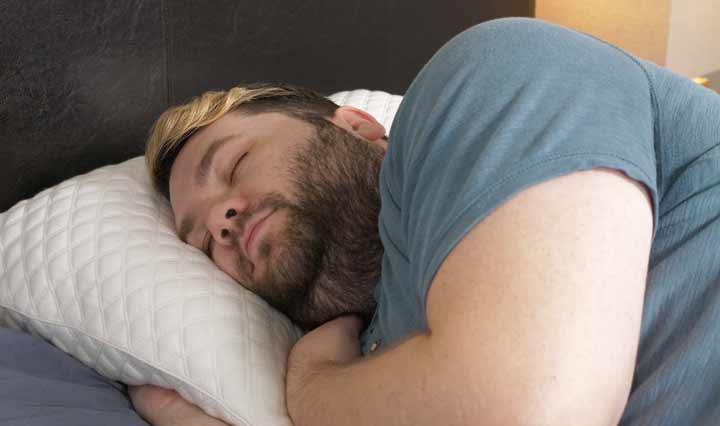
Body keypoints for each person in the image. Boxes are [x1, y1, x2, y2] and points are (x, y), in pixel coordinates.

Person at [132, 17, 720, 426]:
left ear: (357, 126)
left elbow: (531, 407)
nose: (223, 221)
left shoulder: (487, 73)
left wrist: (311, 391)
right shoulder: (374, 358)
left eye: (235, 163)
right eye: (203, 240)